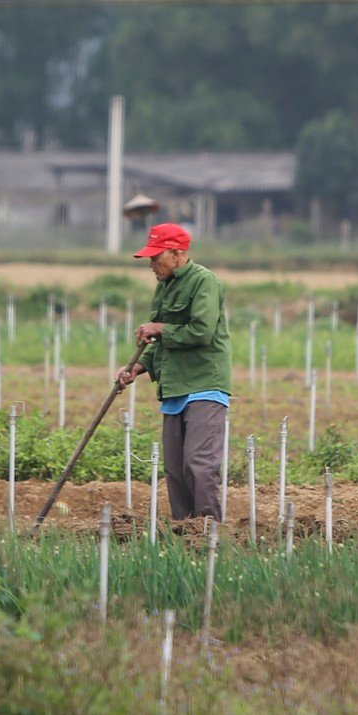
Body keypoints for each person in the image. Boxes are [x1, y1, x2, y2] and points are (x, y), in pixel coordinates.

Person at [115, 222, 232, 527]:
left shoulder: (204, 281)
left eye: (157, 257)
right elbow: (158, 344)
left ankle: (208, 532)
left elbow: (201, 331)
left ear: (178, 254)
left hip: (204, 383)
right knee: (176, 469)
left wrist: (161, 328)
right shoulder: (164, 287)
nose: (152, 264)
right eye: (150, 258)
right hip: (175, 387)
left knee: (198, 463)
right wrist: (136, 368)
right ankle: (184, 529)